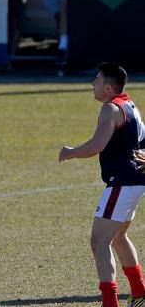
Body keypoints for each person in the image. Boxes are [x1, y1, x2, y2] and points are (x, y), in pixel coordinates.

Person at [59, 63, 145, 307]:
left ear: (108, 87)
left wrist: (71, 152)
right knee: (119, 237)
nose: (92, 85)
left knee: (99, 242)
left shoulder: (110, 108)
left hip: (122, 182)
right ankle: (140, 293)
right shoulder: (130, 105)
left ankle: (110, 303)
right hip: (135, 180)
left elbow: (98, 144)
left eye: (96, 81)